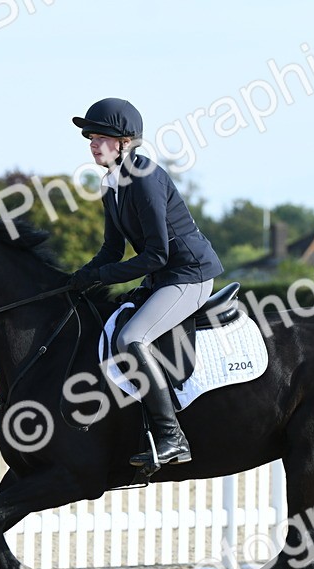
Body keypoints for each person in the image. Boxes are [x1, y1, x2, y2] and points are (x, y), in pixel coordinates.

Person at [67, 98, 224, 470]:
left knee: (130, 338)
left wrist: (103, 276)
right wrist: (79, 278)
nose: (92, 143)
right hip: (165, 275)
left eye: (100, 137)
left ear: (125, 142)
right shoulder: (111, 183)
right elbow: (111, 249)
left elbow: (157, 255)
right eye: (90, 137)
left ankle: (172, 437)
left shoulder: (145, 180)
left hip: (190, 274)